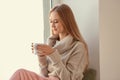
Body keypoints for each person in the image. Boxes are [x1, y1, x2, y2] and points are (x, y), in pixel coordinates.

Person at [10, 3, 89, 80]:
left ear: (66, 22)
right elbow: (44, 75)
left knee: (20, 73)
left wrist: (53, 54)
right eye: (51, 21)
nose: (52, 25)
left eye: (56, 21)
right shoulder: (52, 44)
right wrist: (42, 59)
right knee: (20, 73)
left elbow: (69, 78)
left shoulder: (78, 47)